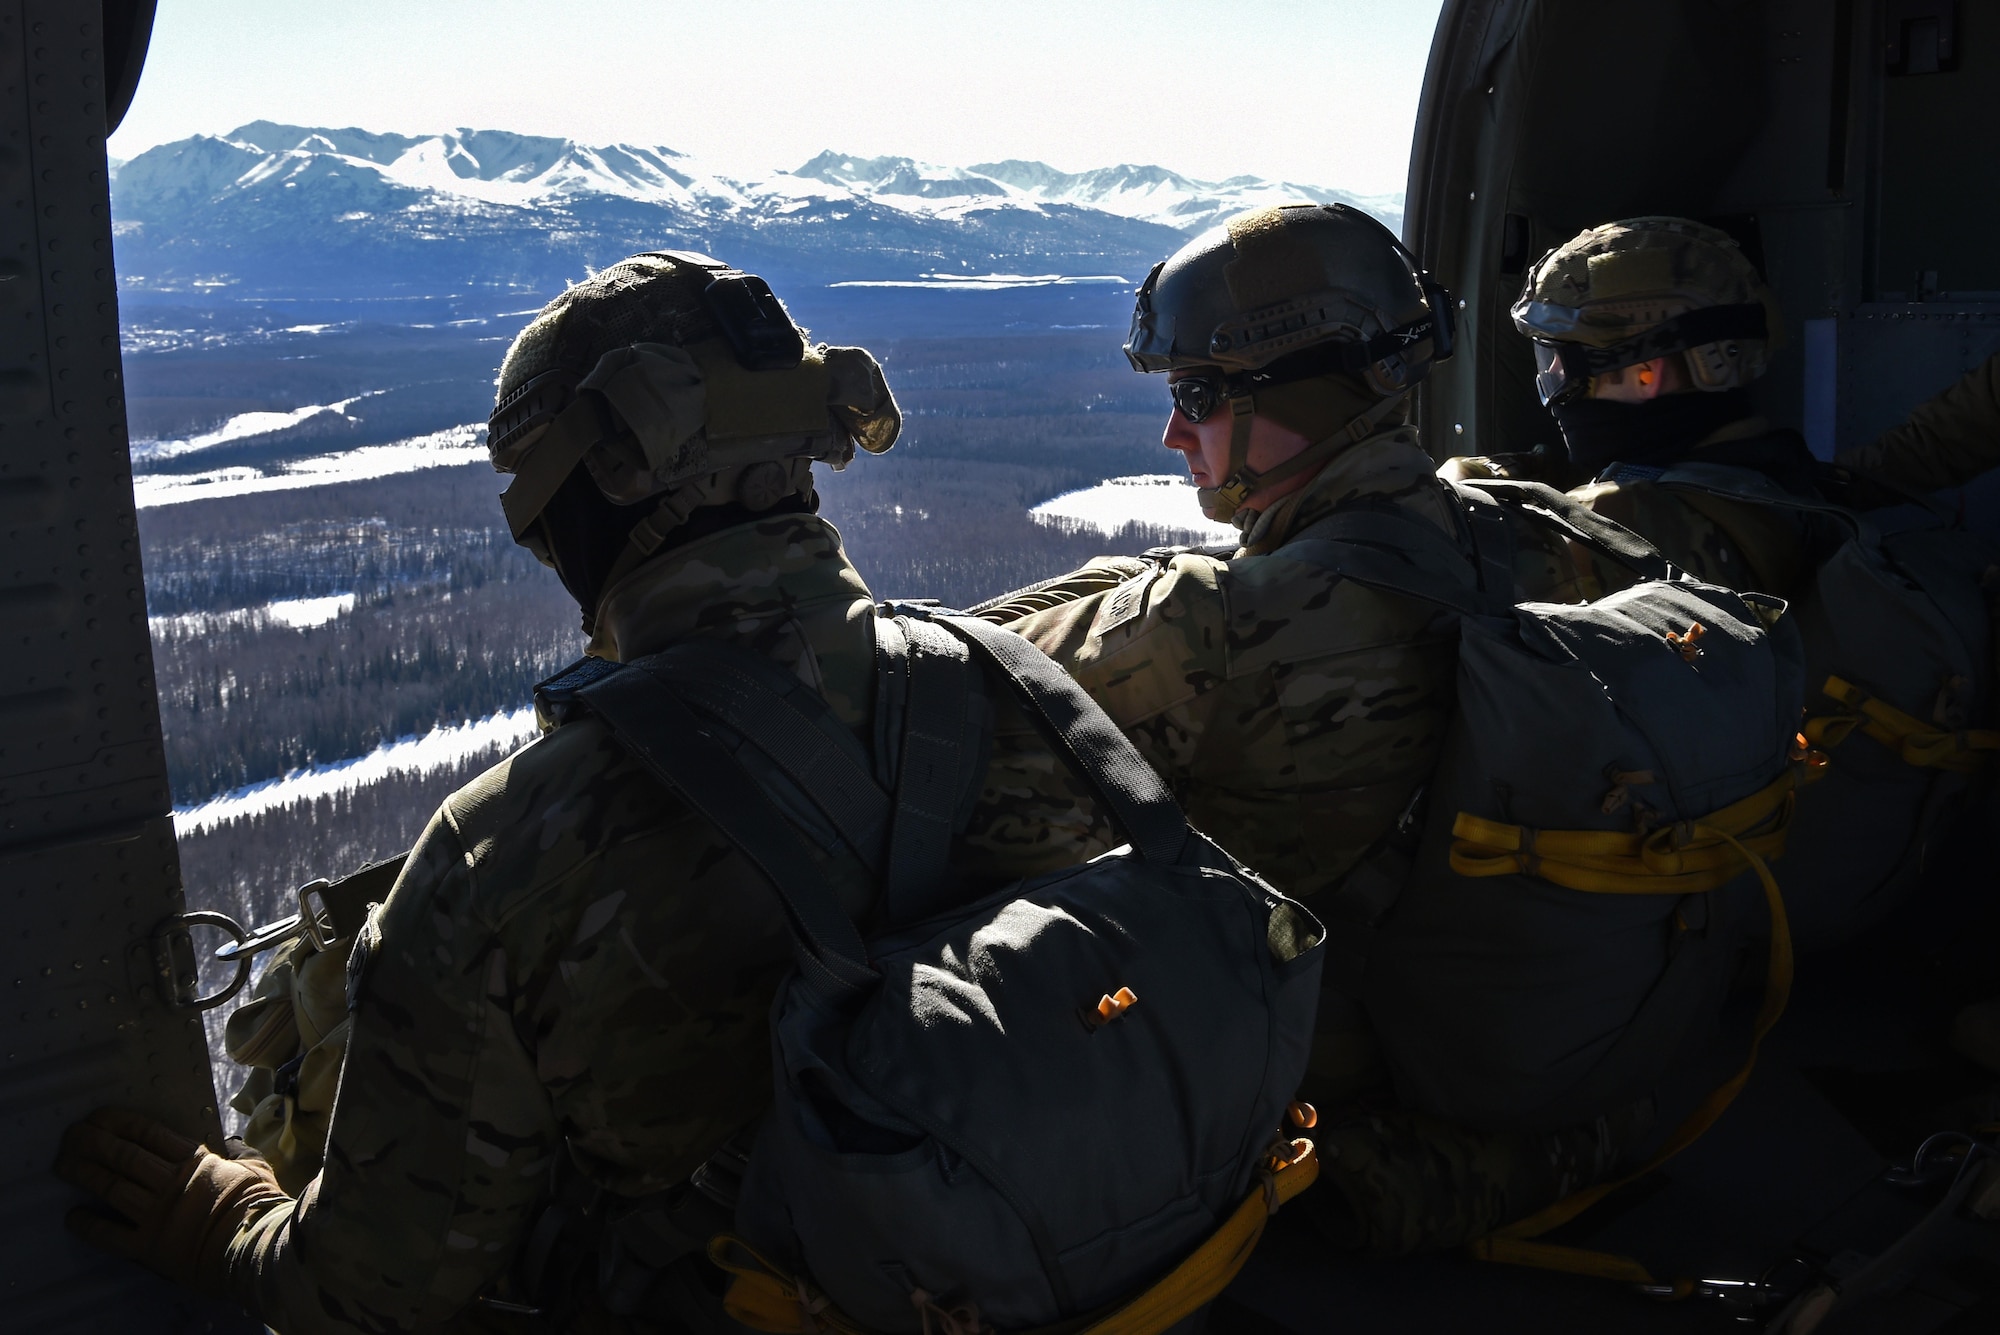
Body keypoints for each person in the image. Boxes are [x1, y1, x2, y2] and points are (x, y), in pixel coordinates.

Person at [55, 252, 1117, 1333]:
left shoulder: (510, 858)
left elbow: (366, 1296)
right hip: (1068, 1263)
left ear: (578, 500)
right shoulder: (1025, 689)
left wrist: (223, 1222)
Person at [981, 204, 1642, 1256]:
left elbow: (958, 732)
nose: (1170, 433)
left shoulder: (1211, 621)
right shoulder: (1553, 539)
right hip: (1568, 1050)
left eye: (1195, 395)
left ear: (1299, 395)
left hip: (1332, 1092)